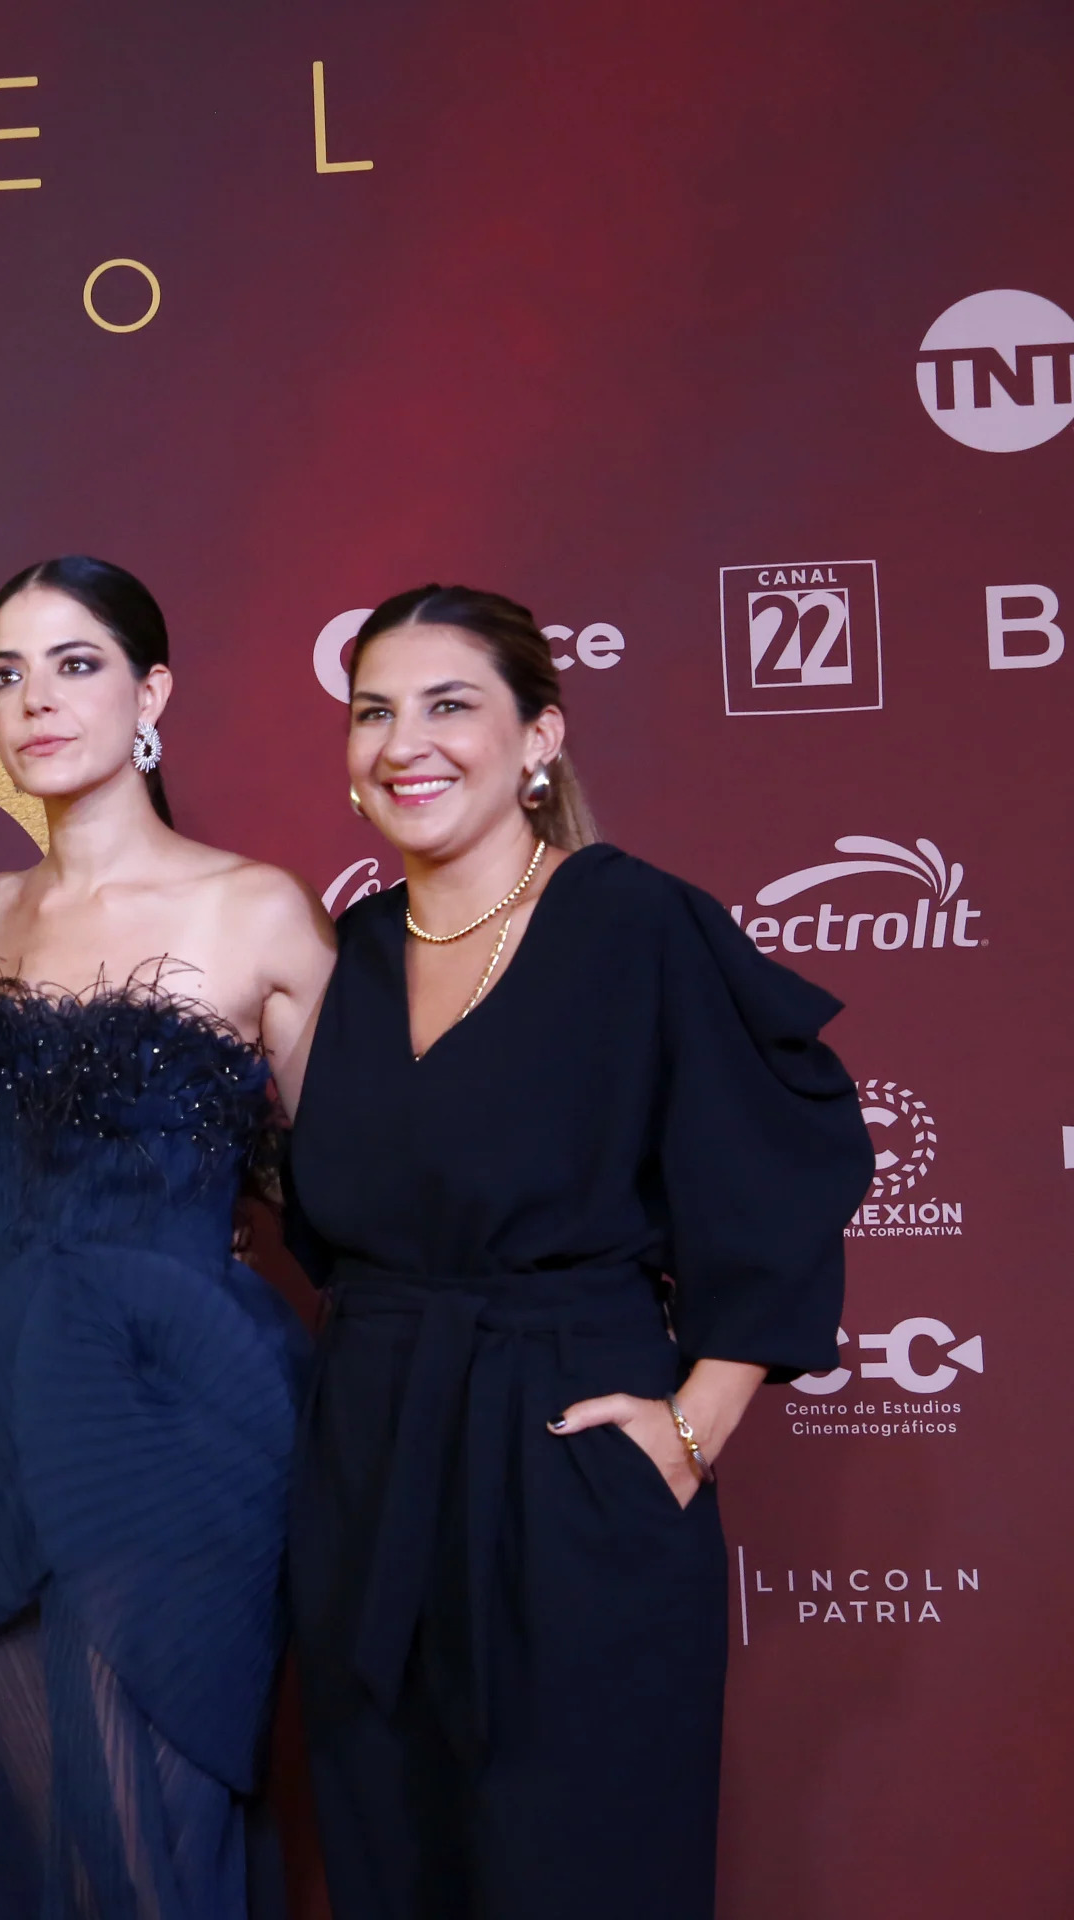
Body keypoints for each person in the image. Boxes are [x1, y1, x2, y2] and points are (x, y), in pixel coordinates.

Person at [283, 585, 873, 1917]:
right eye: (373, 711)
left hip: (568, 1463)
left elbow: (777, 1169)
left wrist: (695, 1425)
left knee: (582, 1870)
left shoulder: (638, 925)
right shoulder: (361, 949)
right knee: (397, 1864)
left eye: (450, 706)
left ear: (540, 737)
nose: (402, 743)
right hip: (372, 1477)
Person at [0, 557, 337, 1919]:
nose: (36, 700)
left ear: (153, 692)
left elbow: (356, 1183)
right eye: (7, 673)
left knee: (151, 1831)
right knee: (34, 1830)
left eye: (76, 663)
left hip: (174, 1420)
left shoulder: (258, 908)